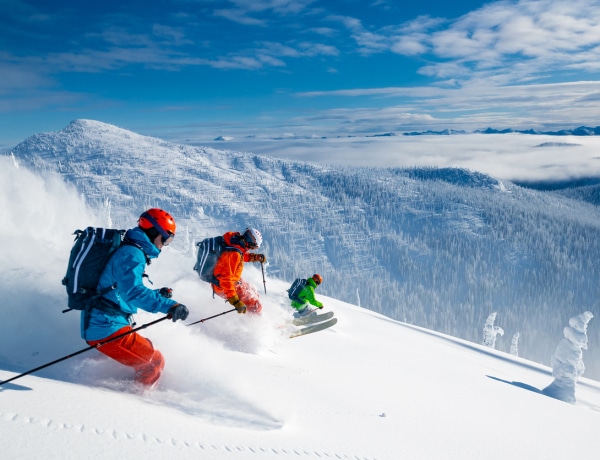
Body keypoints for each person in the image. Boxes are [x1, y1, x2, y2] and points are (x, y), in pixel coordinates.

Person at [82, 208, 189, 388]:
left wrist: (157, 294)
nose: (165, 244)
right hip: (106, 327)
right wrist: (169, 306)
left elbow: (121, 288)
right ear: (154, 232)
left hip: (104, 323)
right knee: (154, 362)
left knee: (147, 349)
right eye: (166, 238)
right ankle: (134, 403)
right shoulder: (132, 254)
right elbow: (133, 292)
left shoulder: (131, 250)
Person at [211, 227, 266, 315]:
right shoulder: (234, 253)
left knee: (252, 291)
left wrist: (254, 257)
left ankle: (255, 315)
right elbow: (226, 280)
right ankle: (258, 323)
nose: (251, 248)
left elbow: (239, 255)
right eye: (253, 246)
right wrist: (235, 300)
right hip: (223, 286)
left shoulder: (232, 241)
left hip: (230, 280)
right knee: (255, 305)